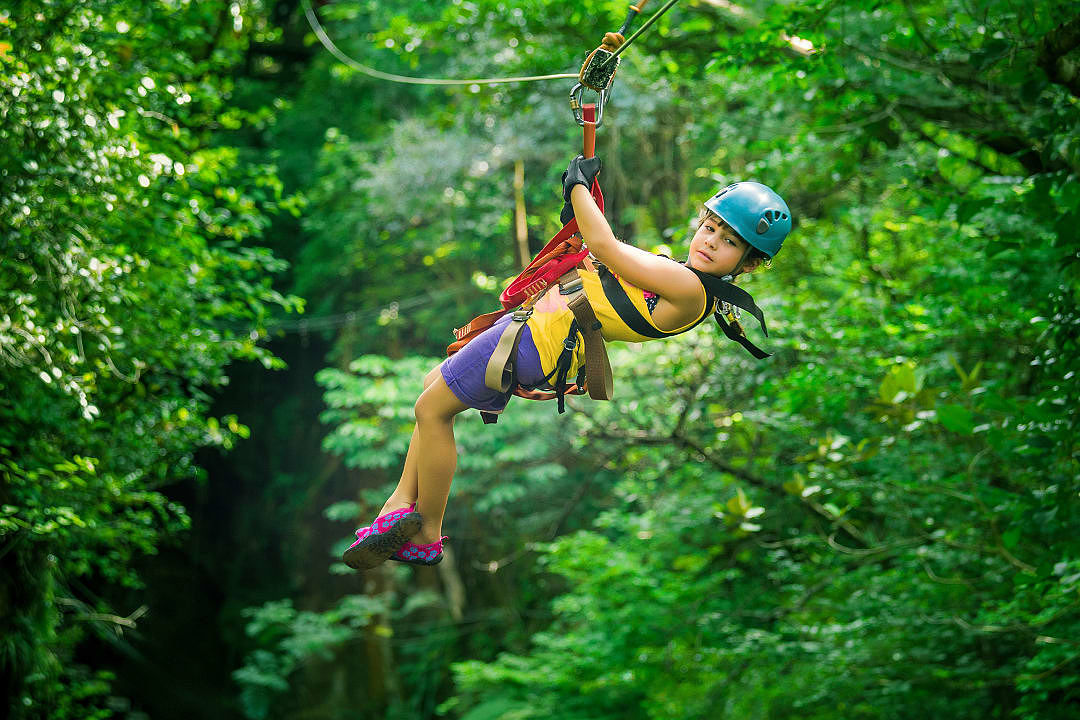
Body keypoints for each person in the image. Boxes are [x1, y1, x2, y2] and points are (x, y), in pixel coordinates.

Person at [343, 155, 792, 569]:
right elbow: (606, 254)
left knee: (431, 411)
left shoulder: (691, 289)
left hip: (536, 340)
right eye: (711, 228)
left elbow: (606, 245)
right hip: (540, 331)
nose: (711, 242)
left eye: (730, 242)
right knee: (430, 387)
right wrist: (584, 199)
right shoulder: (683, 277)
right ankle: (399, 505)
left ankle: (427, 530)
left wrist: (577, 186)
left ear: (748, 264)